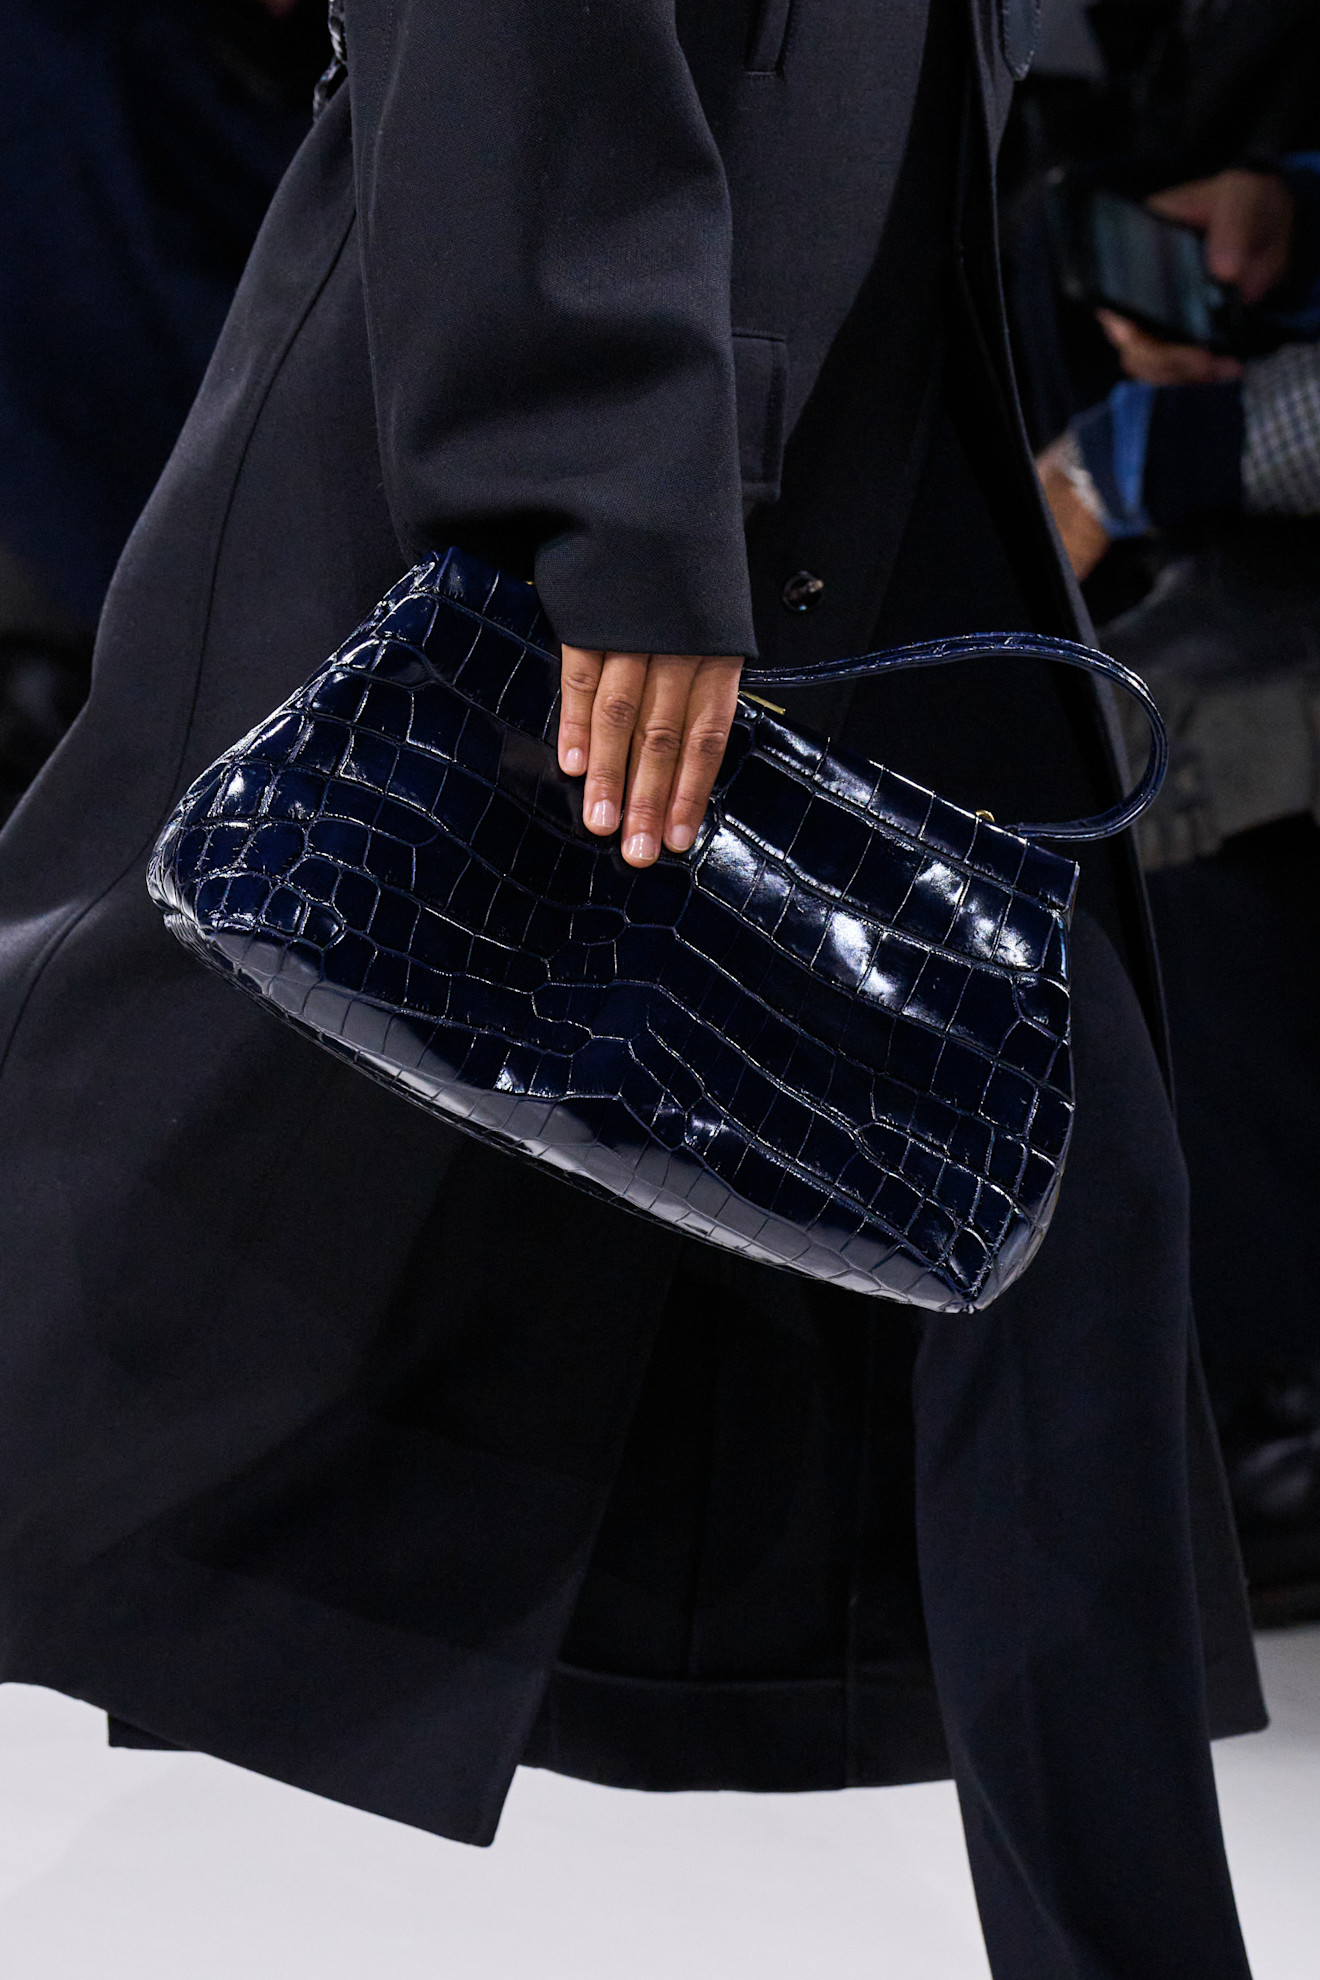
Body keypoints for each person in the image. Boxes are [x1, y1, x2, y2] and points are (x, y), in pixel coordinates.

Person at [0, 3, 1262, 1974]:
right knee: (163, 1175)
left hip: (864, 340)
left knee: (1066, 1212)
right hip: (626, 406)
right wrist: (597, 485)